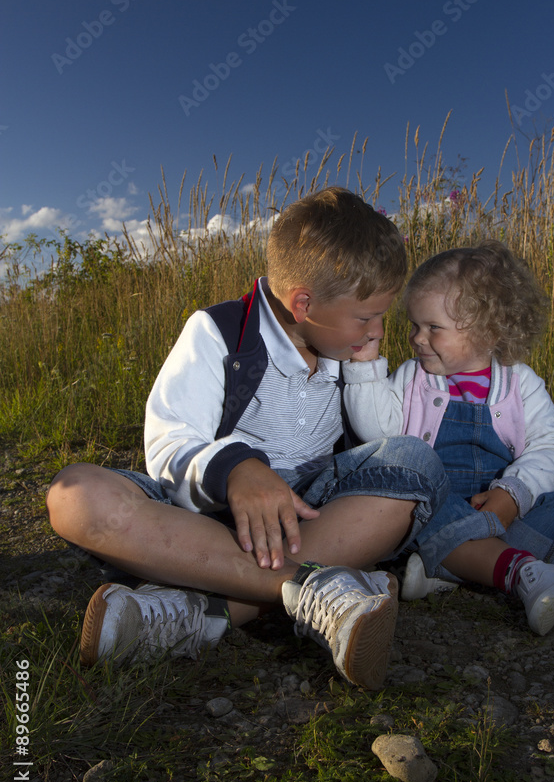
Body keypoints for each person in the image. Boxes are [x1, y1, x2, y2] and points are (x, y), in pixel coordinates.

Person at [46, 187, 447, 689]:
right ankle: (316, 586)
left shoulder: (350, 354)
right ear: (304, 304)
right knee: (75, 495)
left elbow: (384, 443)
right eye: (366, 317)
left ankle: (202, 612)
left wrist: (366, 366)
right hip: (209, 515)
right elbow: (169, 443)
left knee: (416, 461)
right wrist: (238, 469)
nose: (377, 331)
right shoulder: (218, 330)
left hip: (312, 512)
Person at [343, 240, 554, 635]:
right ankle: (515, 569)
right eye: (415, 325)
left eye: (434, 328)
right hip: (438, 503)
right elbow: (379, 432)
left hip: (500, 509)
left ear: (487, 331)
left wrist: (514, 494)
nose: (417, 338)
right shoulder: (413, 378)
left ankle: (452, 566)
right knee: (416, 510)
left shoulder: (520, 384)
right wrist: (364, 368)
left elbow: (552, 447)